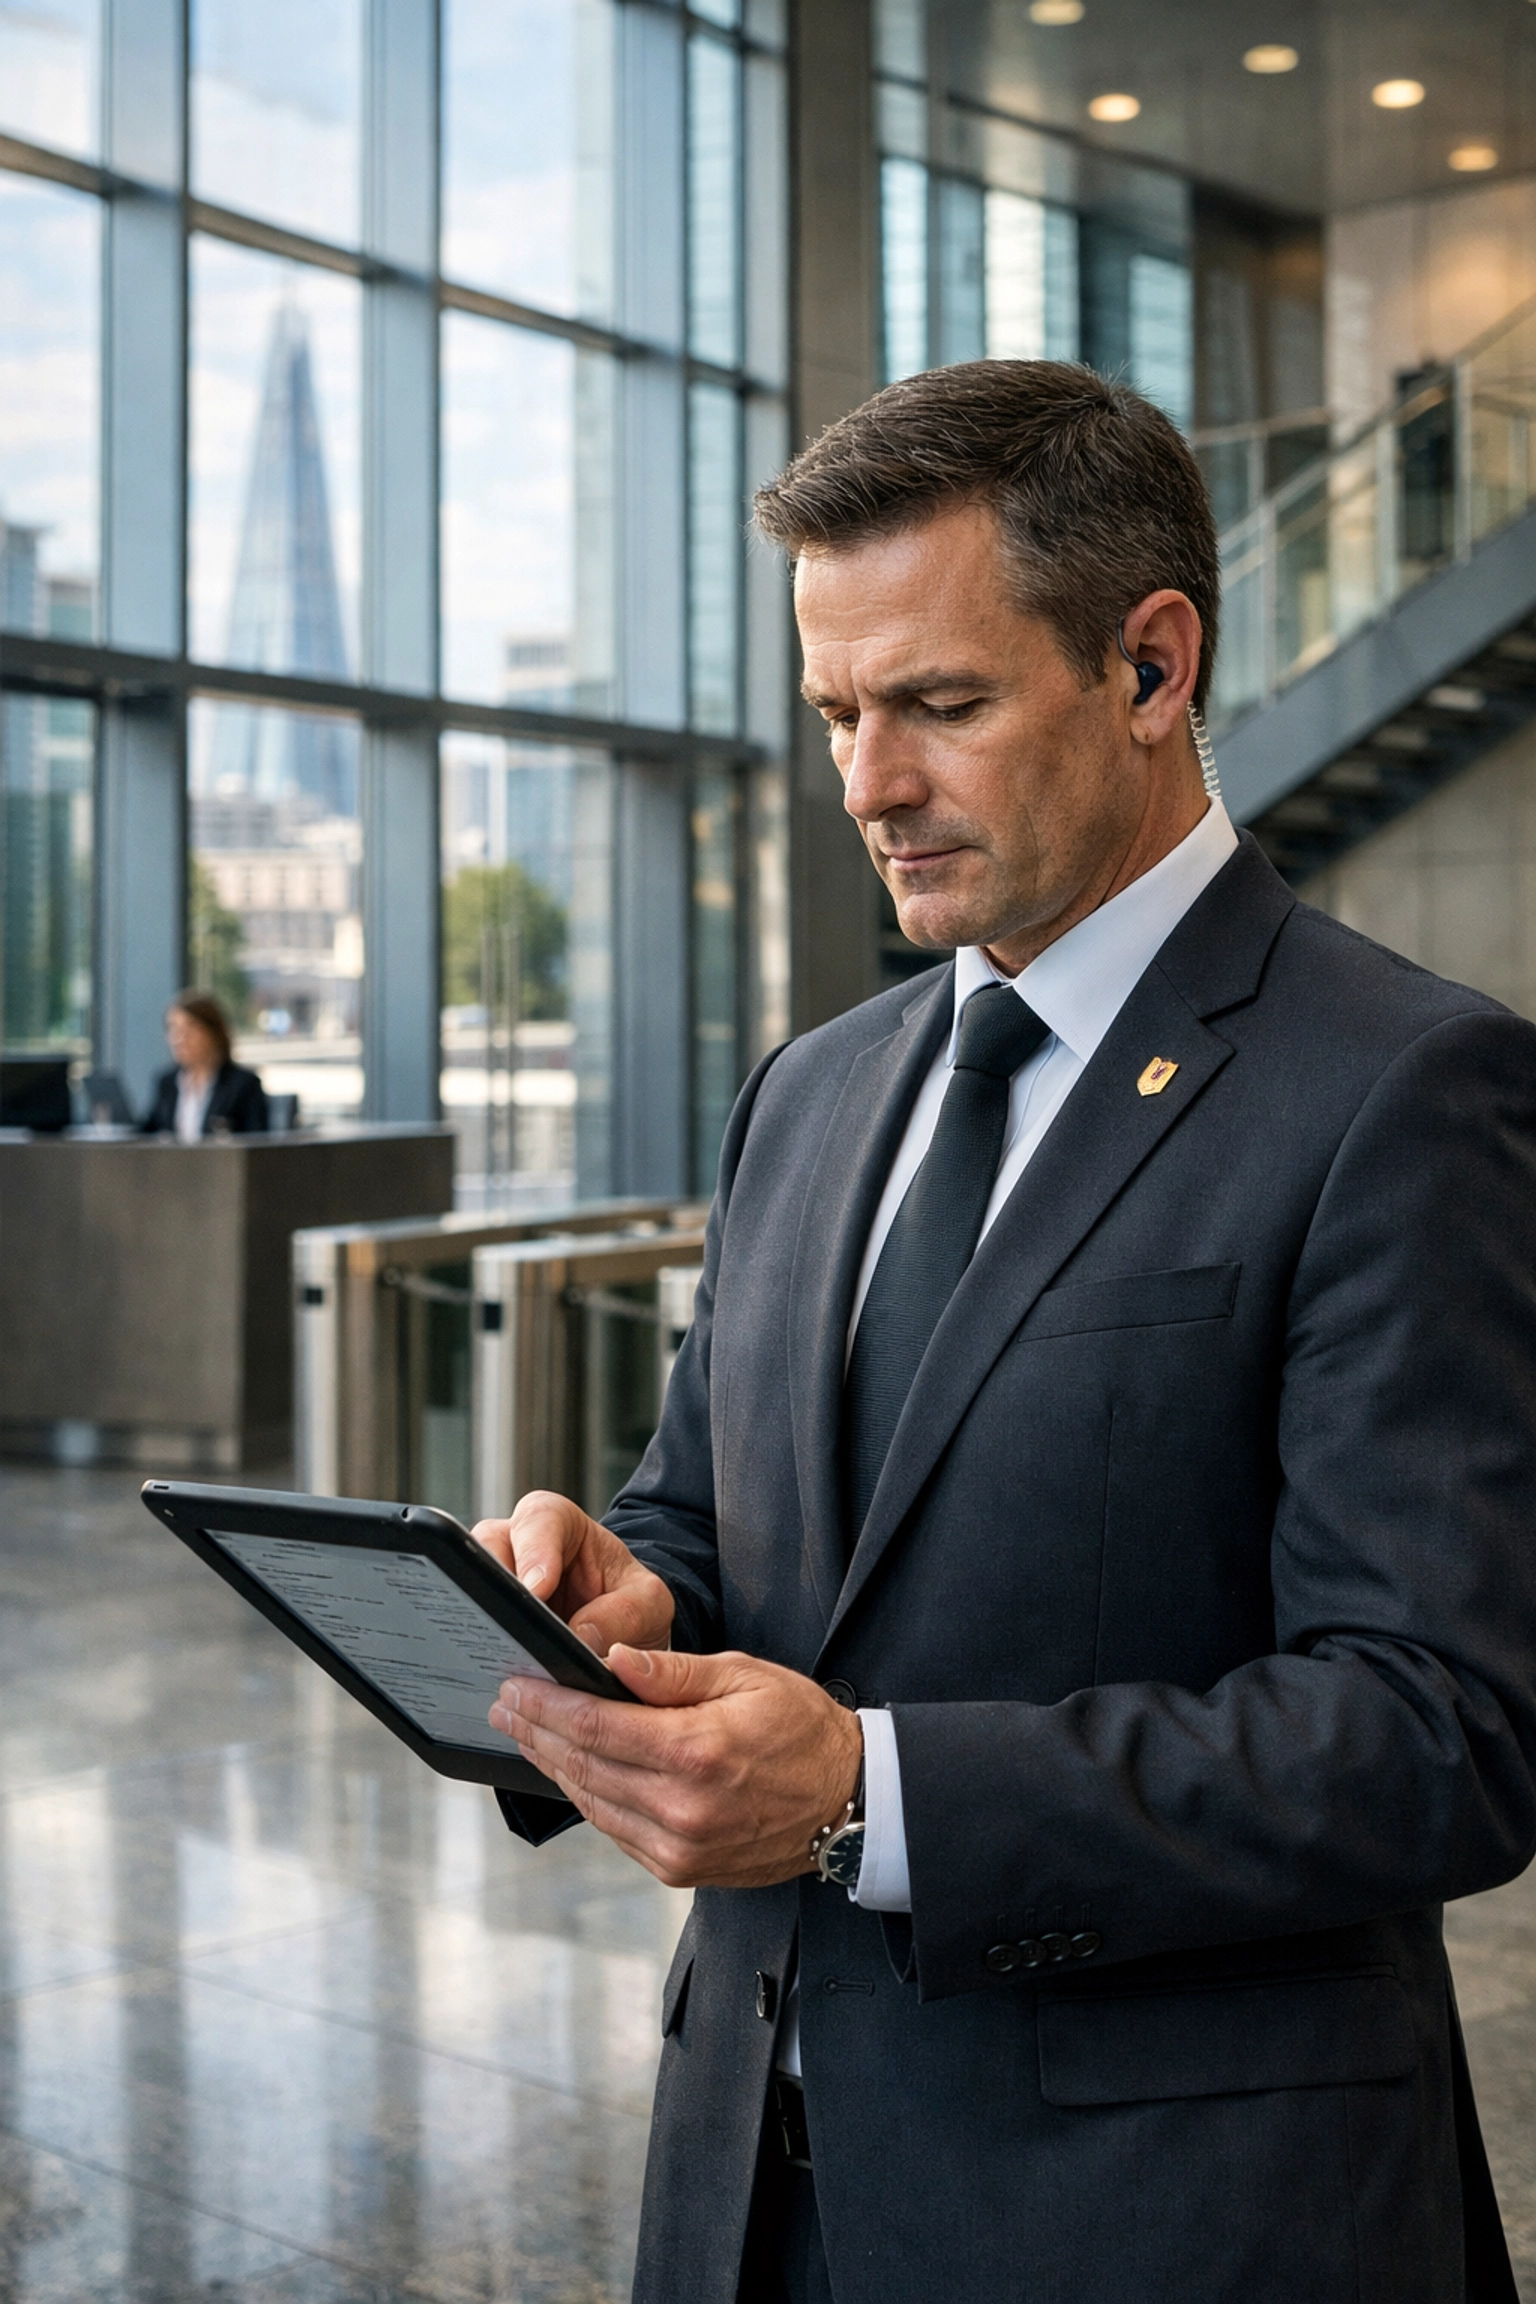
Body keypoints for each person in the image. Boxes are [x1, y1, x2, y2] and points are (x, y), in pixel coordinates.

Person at [474, 362, 1536, 2304]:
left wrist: (876, 1798)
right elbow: (718, 1529)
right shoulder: (816, 1086)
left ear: (1150, 665)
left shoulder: (1404, 1091)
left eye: (940, 705)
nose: (870, 782)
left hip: (1174, 2226)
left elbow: (1439, 1735)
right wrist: (618, 1600)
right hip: (752, 2193)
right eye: (836, 715)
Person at [141, 990, 268, 1139]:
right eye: (173, 1028)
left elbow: (256, 1147)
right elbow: (145, 1134)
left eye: (189, 1029)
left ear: (214, 1033)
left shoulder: (243, 1085)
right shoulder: (167, 1082)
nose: (179, 1038)